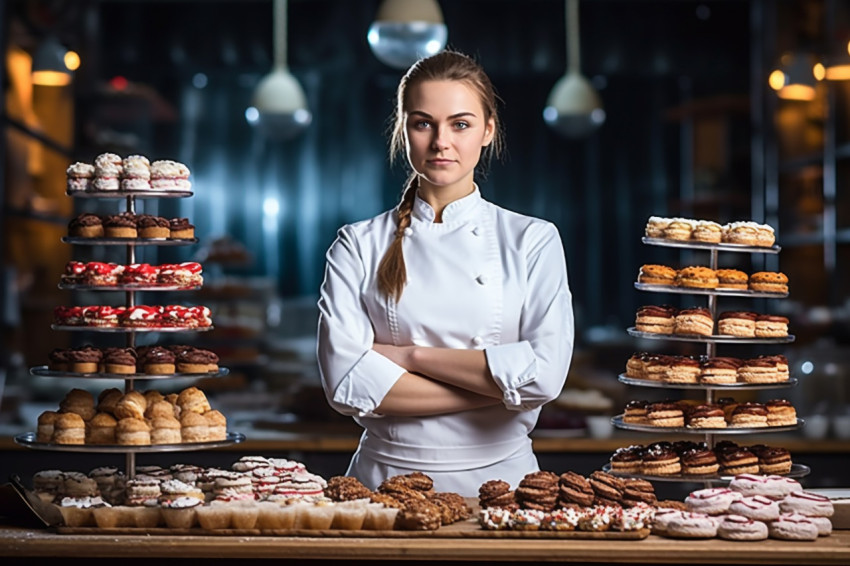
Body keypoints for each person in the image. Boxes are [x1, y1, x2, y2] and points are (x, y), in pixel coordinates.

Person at [316, 50, 574, 497]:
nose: (441, 142)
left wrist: (411, 357)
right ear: (404, 129)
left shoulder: (533, 239)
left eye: (460, 124)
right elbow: (345, 384)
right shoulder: (356, 244)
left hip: (504, 487)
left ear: (487, 130)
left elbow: (545, 377)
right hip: (384, 486)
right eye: (422, 123)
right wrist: (501, 387)